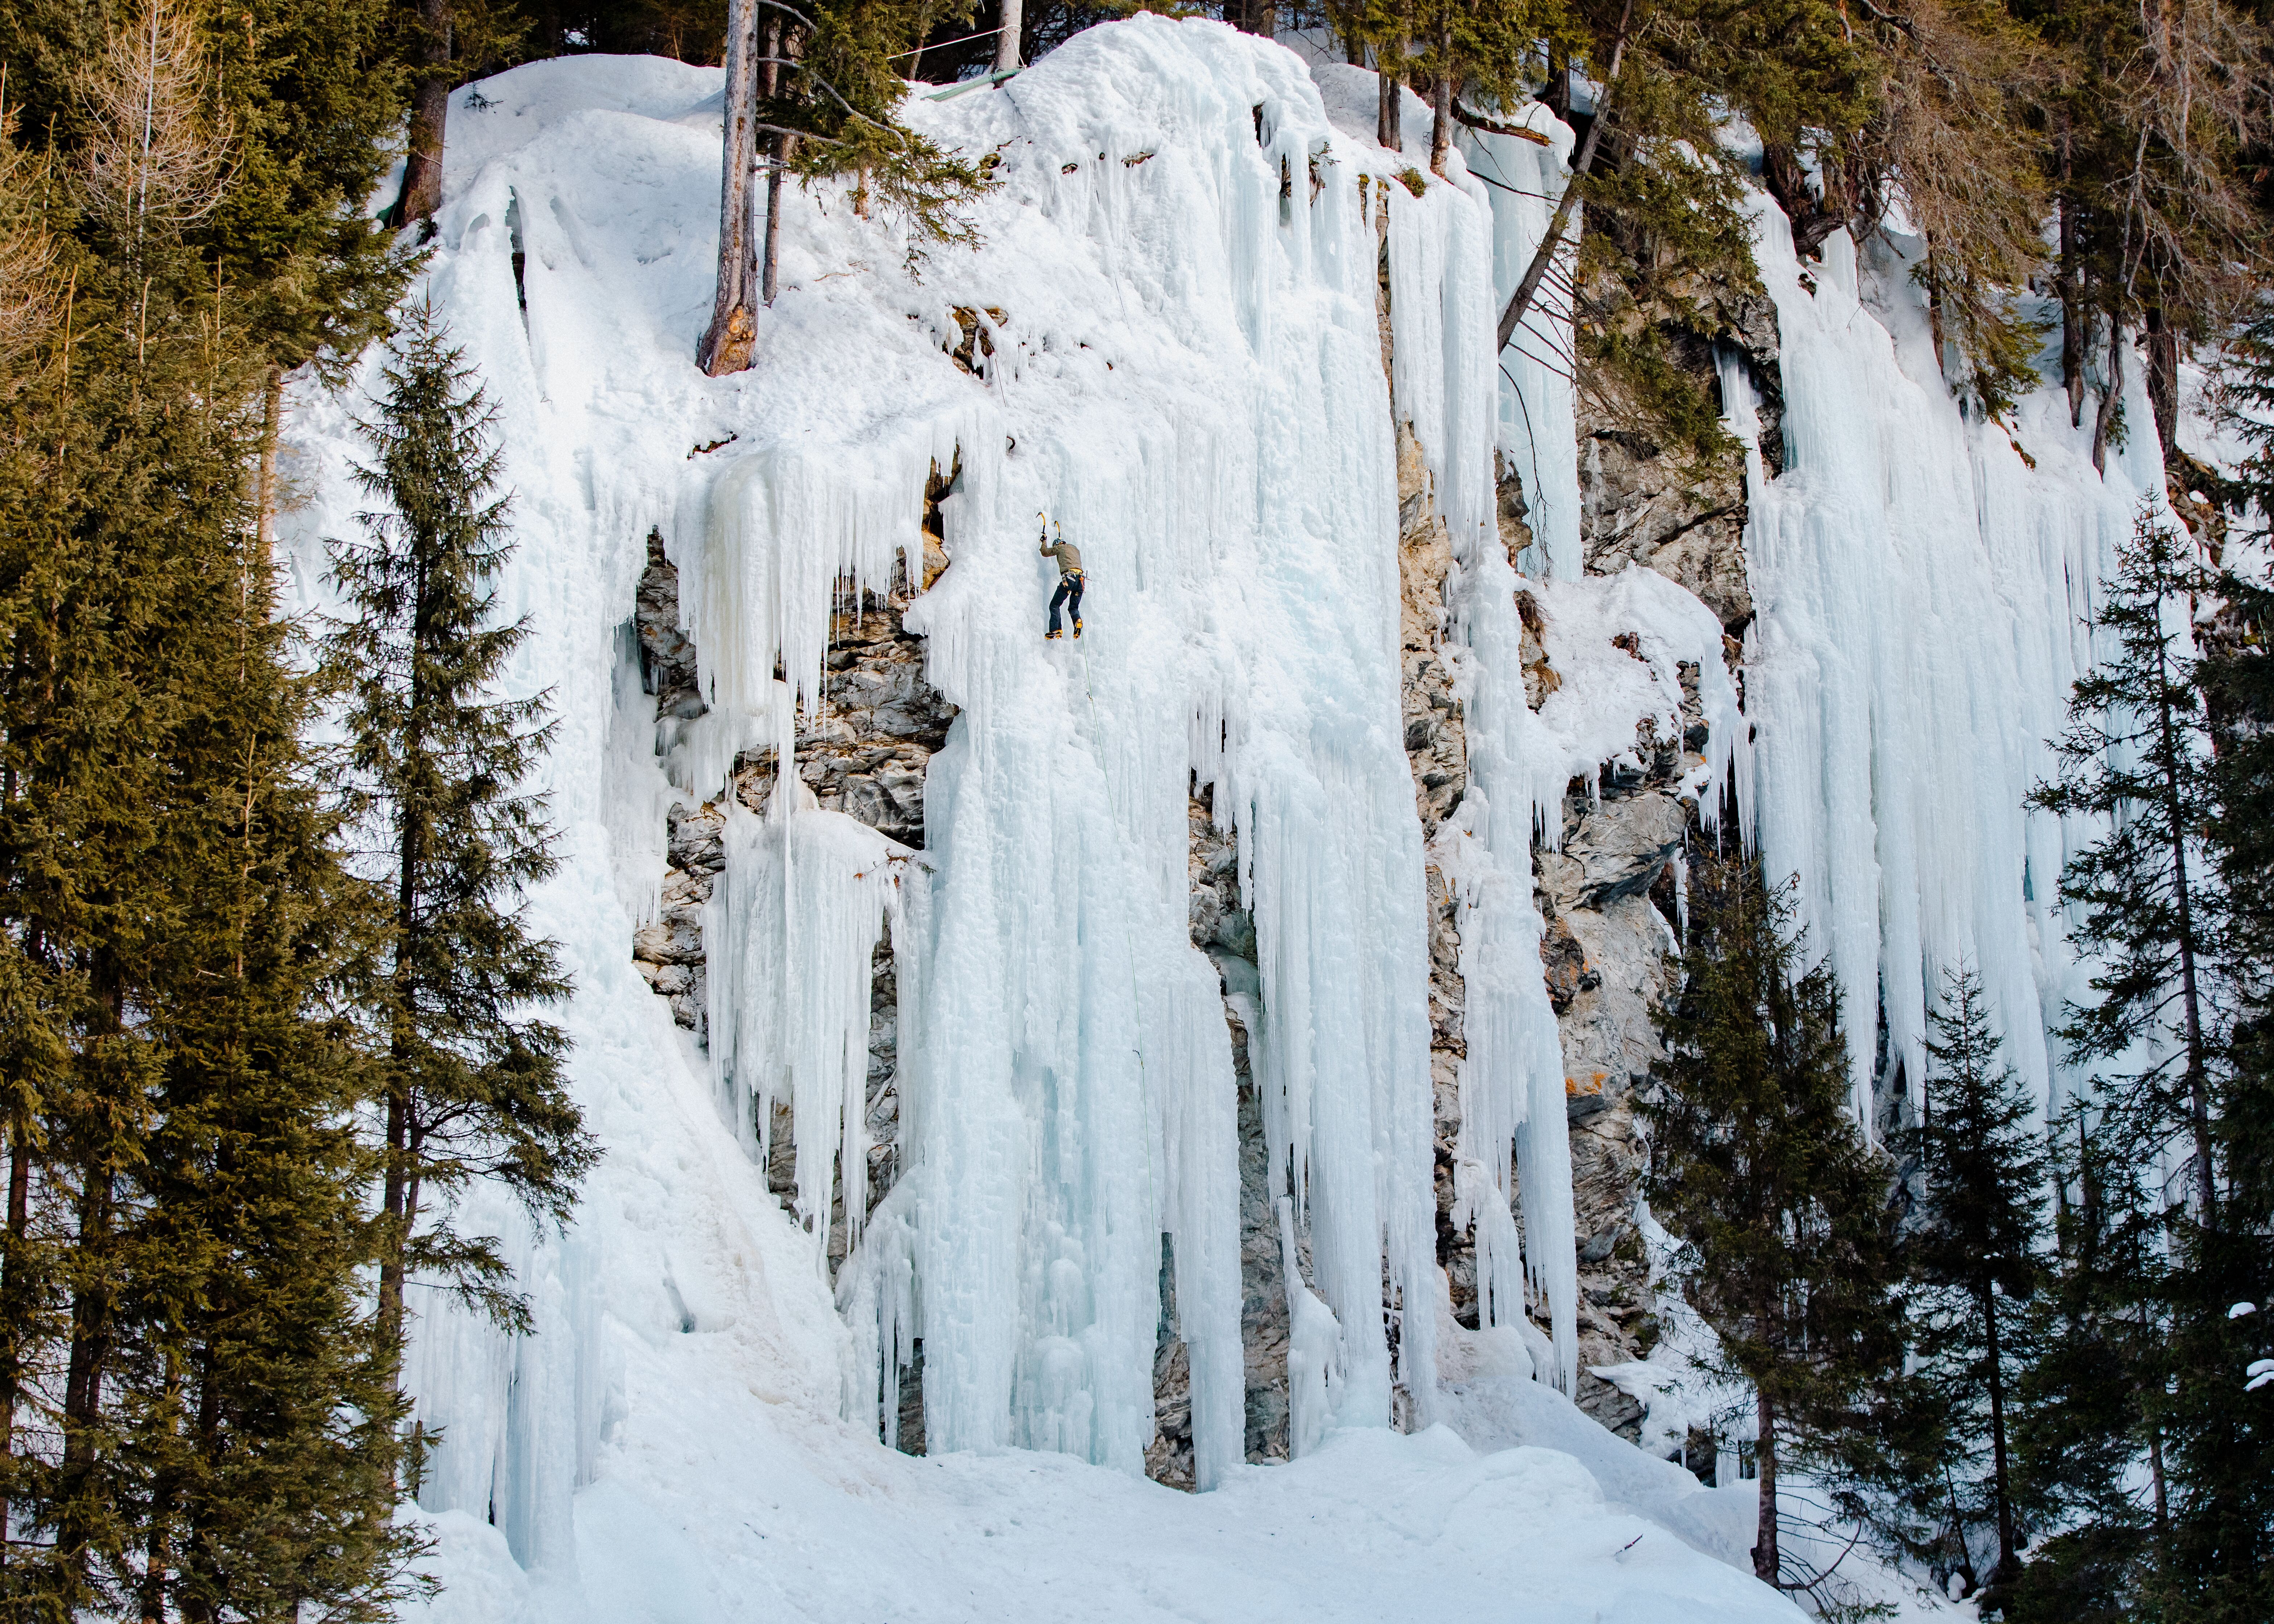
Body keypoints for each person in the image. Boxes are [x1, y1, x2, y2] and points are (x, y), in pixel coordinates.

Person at [1039, 515, 1084, 639]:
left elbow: (1045, 552)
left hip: (1070, 579)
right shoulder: (1075, 549)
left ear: (1058, 545)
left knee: (1054, 605)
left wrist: (1044, 540)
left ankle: (1056, 630)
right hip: (1081, 582)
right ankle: (1078, 621)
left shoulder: (1059, 548)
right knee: (1073, 608)